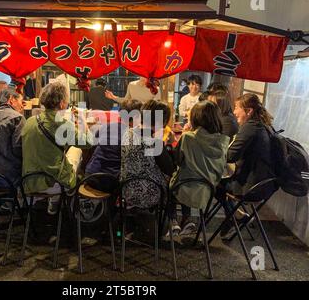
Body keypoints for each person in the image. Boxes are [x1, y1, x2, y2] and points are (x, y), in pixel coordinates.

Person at [22, 82, 94, 215]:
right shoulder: (63, 124)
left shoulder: (30, 121)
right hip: (53, 183)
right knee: (77, 151)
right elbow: (89, 142)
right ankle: (69, 200)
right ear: (61, 103)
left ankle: (53, 202)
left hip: (28, 181)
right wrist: (83, 120)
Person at [217, 93, 279, 239]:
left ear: (249, 111)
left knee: (212, 184)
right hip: (265, 186)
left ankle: (234, 218)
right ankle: (237, 216)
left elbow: (231, 156)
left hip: (251, 187)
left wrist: (214, 149)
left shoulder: (250, 127)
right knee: (220, 182)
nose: (234, 112)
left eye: (237, 107)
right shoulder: (263, 126)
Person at [168, 101, 229, 238]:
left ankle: (172, 220)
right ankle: (188, 219)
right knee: (189, 175)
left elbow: (177, 160)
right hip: (207, 192)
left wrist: (183, 135)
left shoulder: (188, 138)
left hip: (183, 189)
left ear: (196, 118)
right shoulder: (223, 141)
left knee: (172, 179)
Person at [120, 100, 174, 210]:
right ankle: (172, 220)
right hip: (150, 195)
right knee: (174, 180)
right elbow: (169, 169)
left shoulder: (127, 133)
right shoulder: (155, 142)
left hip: (126, 191)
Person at [85, 99, 142, 192]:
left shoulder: (106, 126)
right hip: (109, 181)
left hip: (90, 175)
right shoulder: (133, 135)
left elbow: (94, 144)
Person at [0, 88, 25, 186]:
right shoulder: (17, 117)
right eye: (21, 101)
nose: (22, 105)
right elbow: (18, 148)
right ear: (11, 99)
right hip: (10, 175)